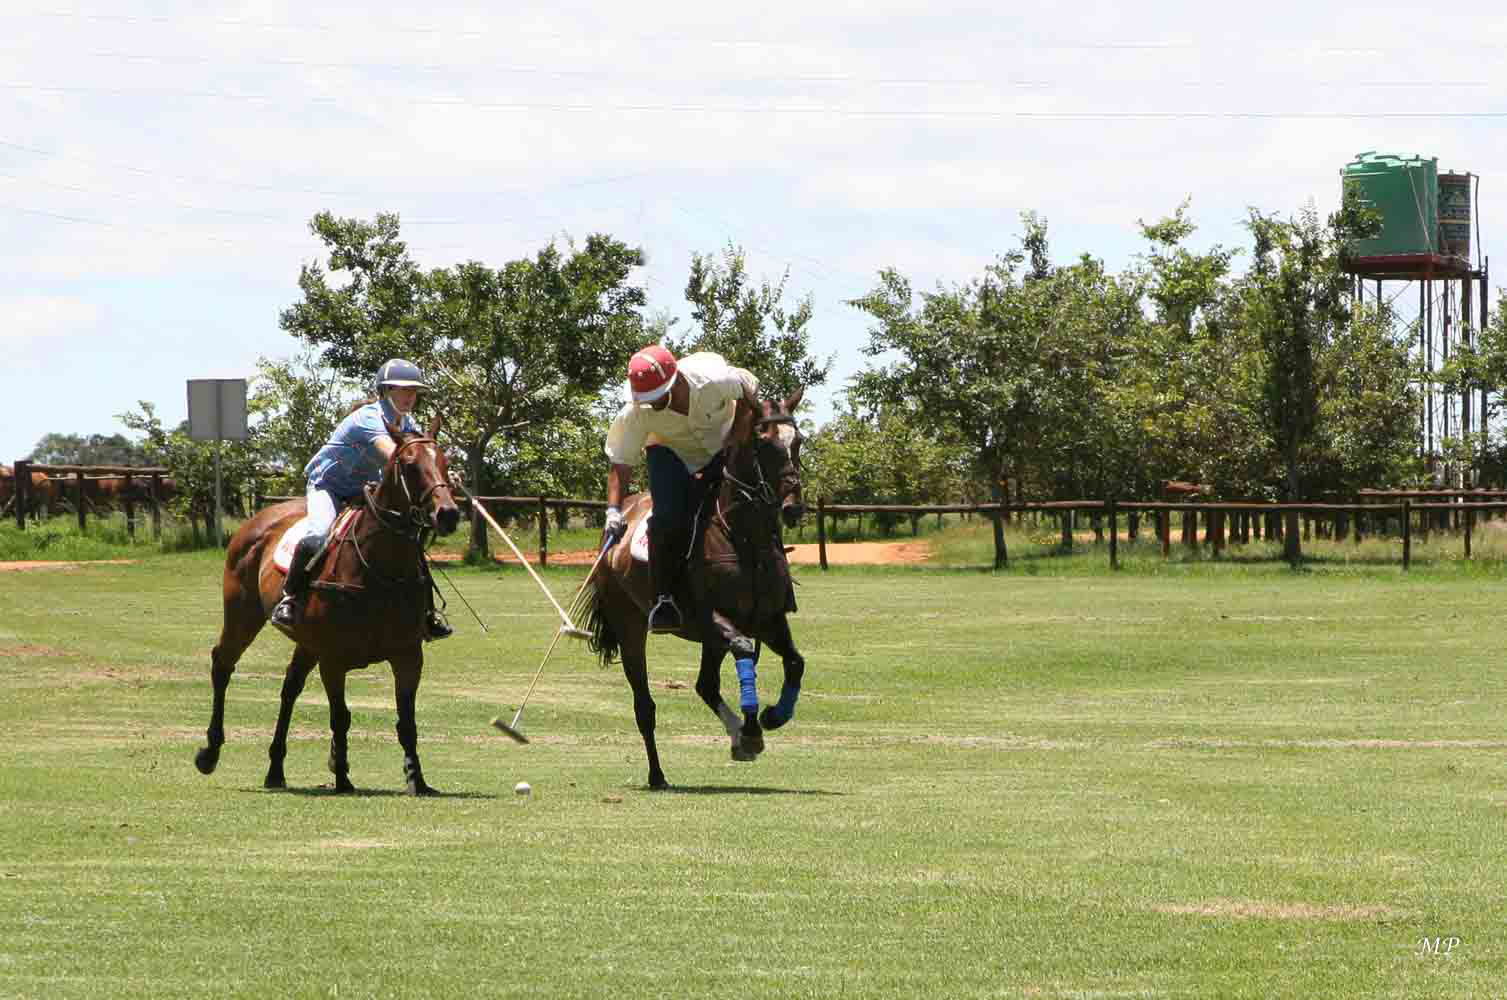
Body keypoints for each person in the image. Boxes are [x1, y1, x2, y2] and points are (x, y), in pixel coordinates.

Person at [269, 358, 453, 640]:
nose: (410, 396)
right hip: (328, 487)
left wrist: (442, 475)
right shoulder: (368, 418)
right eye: (403, 389)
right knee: (318, 535)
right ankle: (289, 599)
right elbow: (396, 456)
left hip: (364, 490)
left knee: (409, 540)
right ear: (386, 390)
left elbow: (422, 458)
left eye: (414, 391)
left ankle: (427, 614)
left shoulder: (408, 422)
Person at [603, 345, 759, 633]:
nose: (651, 403)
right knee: (668, 517)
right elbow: (621, 461)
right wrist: (613, 509)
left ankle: (771, 576)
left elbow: (750, 388)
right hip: (669, 453)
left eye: (657, 396)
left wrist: (735, 438)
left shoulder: (714, 380)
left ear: (674, 382)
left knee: (755, 499)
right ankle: (664, 600)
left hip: (722, 445)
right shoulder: (636, 411)